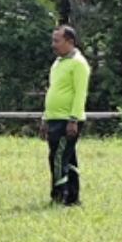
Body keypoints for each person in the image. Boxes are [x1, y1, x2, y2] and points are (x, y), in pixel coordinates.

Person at [40, 25, 90, 206]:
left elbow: (80, 94)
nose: (53, 45)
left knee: (58, 157)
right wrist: (45, 120)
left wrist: (73, 120)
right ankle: (72, 196)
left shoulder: (78, 64)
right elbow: (53, 91)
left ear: (70, 42)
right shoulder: (58, 63)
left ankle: (59, 196)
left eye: (57, 41)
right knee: (67, 157)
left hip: (67, 120)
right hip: (54, 117)